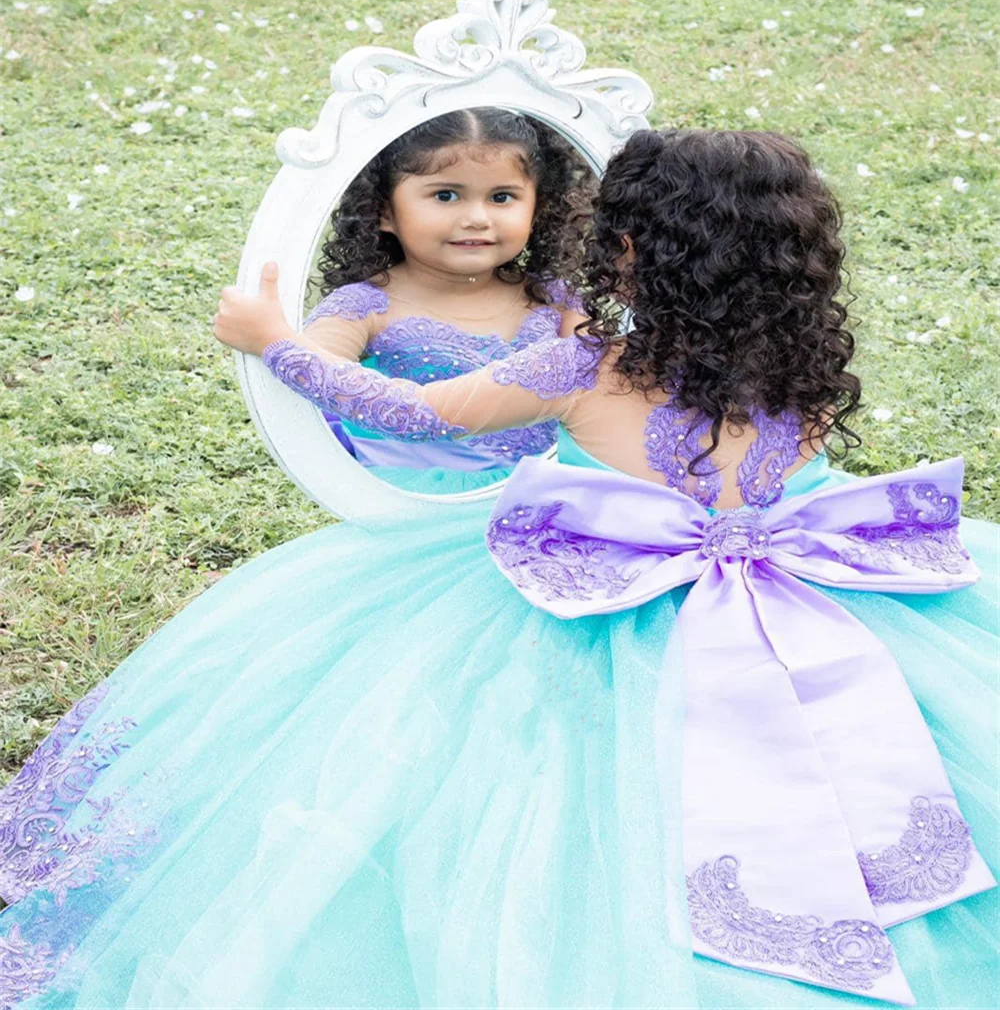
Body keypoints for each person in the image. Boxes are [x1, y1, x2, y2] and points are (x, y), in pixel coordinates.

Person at [1, 130, 995, 1009]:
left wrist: (277, 345)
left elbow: (409, 412)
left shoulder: (584, 365)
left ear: (635, 248)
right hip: (805, 598)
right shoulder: (804, 374)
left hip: (591, 615)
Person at [296, 106, 593, 493]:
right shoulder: (364, 306)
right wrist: (268, 337)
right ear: (384, 211)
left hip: (560, 499)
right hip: (424, 509)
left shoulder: (557, 301)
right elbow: (306, 373)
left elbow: (606, 391)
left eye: (502, 197)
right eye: (446, 195)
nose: (476, 218)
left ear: (539, 209)